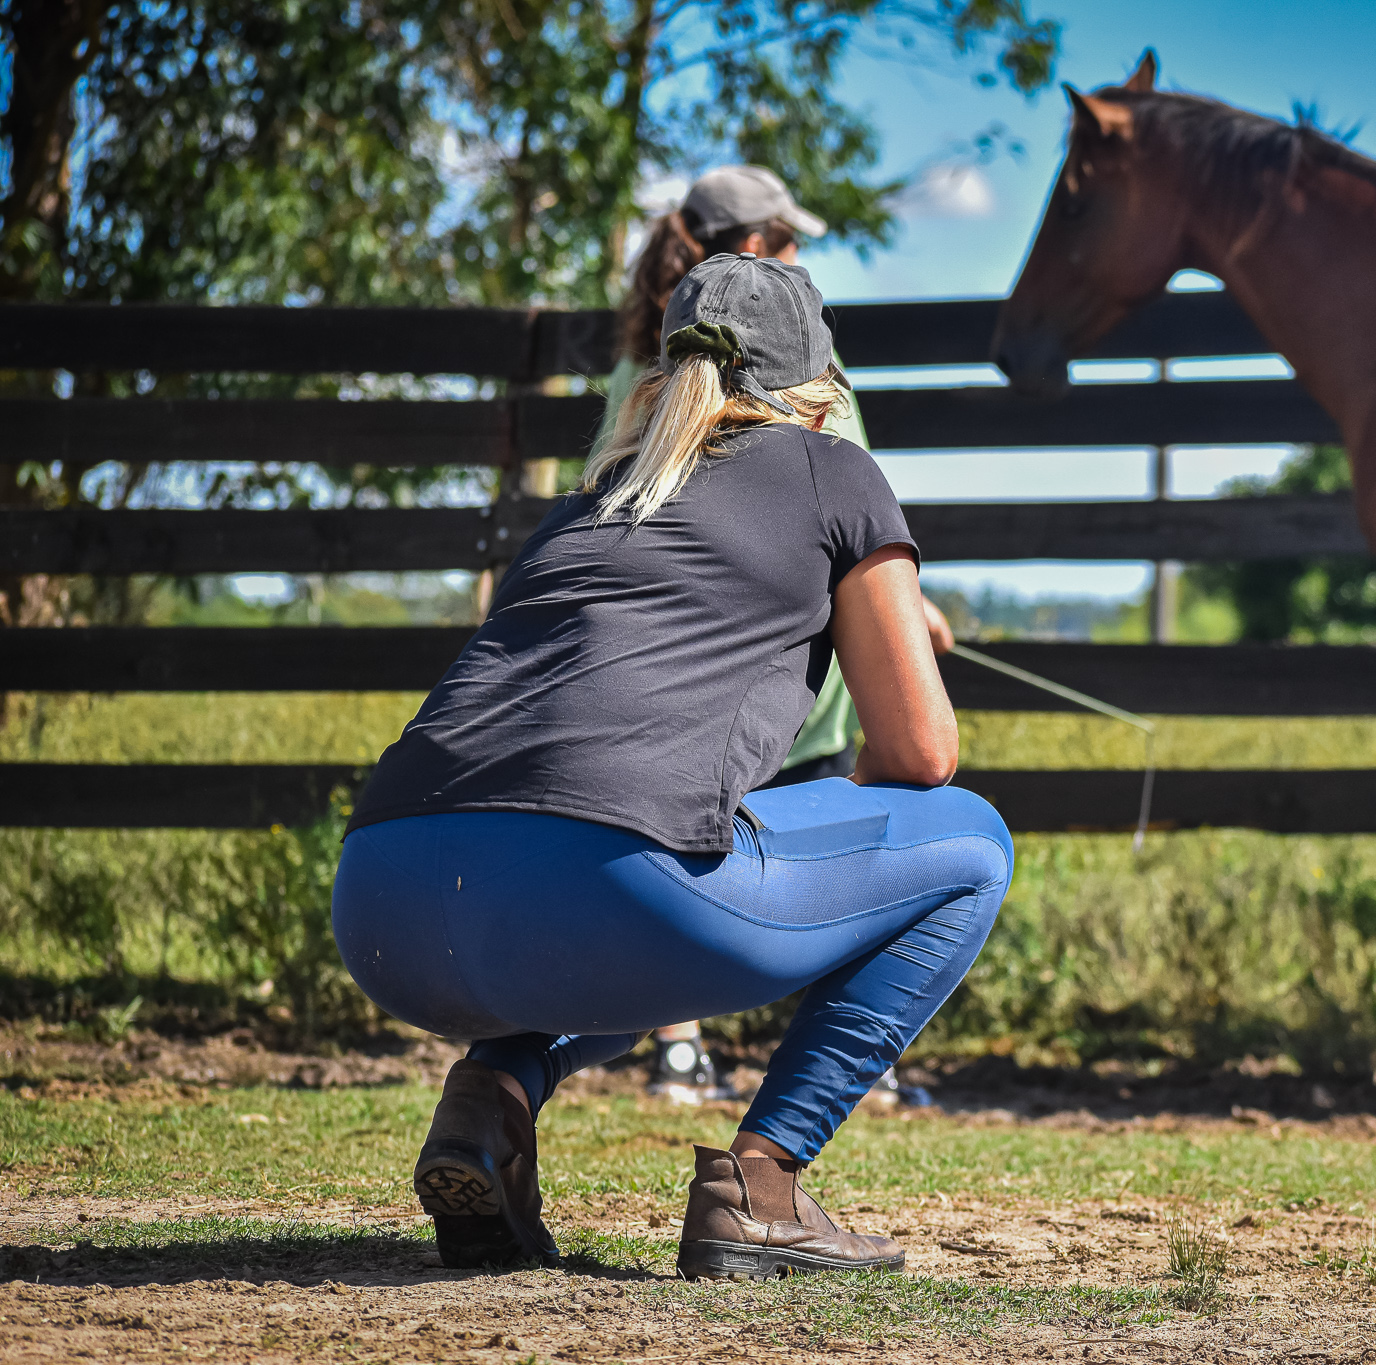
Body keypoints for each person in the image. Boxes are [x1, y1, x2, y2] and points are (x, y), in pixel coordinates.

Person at [331, 252, 1012, 1280]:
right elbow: (919, 755)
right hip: (605, 889)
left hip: (382, 904)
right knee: (969, 843)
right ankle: (764, 1184)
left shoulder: (591, 499)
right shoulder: (834, 468)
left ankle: (491, 1097)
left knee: (635, 877)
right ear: (820, 396)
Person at [606, 166, 954, 1102]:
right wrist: (899, 607)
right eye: (791, 241)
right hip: (801, 666)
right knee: (880, 838)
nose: (804, 256)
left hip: (678, 681)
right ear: (754, 249)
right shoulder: (820, 398)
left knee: (668, 833)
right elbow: (851, 531)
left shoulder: (638, 385)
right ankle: (841, 1066)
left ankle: (676, 1047)